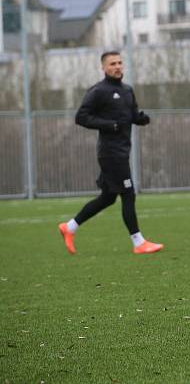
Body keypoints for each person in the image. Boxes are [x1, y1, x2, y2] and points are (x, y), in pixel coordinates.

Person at [58, 51, 163, 255]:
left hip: (122, 152)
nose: (117, 66)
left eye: (120, 63)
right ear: (104, 68)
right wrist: (109, 125)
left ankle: (69, 227)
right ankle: (138, 242)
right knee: (128, 194)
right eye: (112, 63)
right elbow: (81, 117)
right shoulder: (98, 91)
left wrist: (140, 118)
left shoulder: (127, 90)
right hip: (110, 153)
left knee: (107, 198)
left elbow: (131, 114)